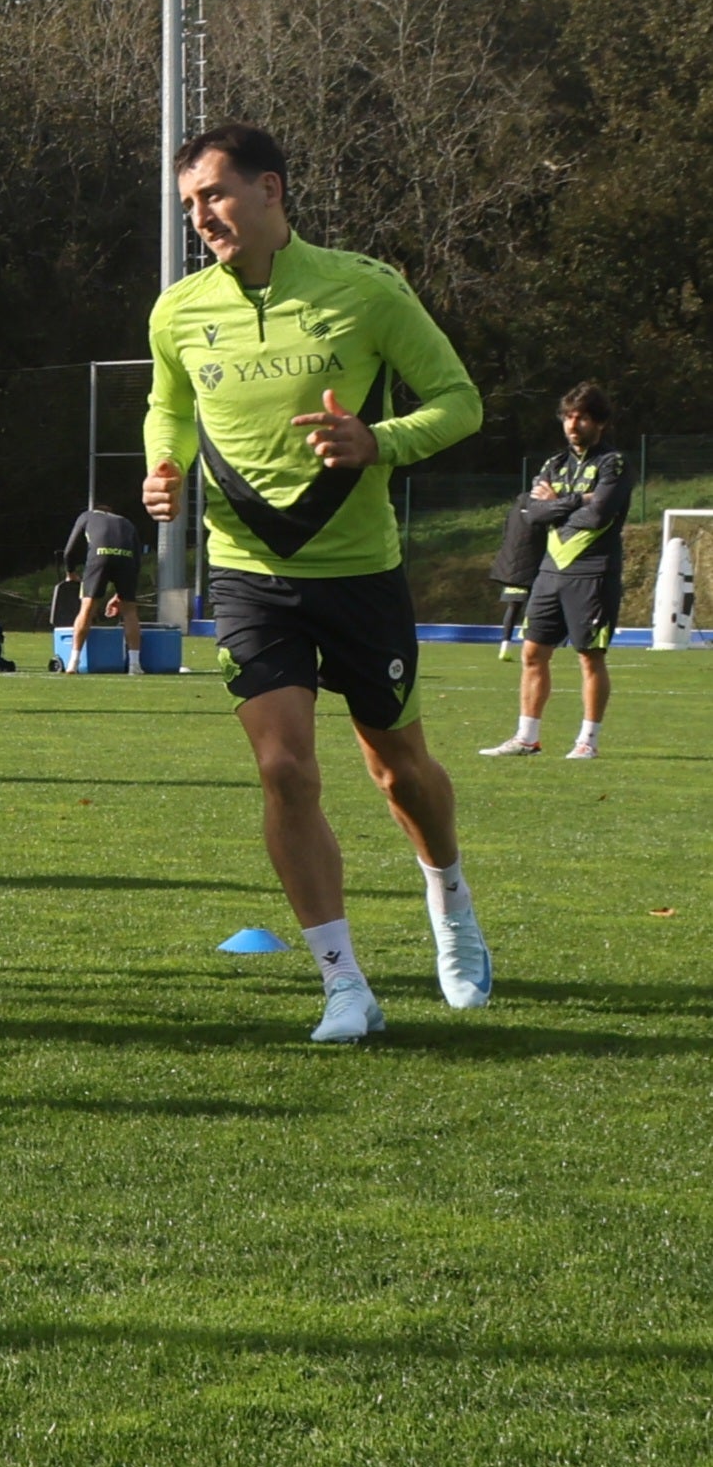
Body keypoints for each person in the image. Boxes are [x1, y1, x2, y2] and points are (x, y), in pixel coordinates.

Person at [138, 120, 486, 1042]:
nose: (200, 216)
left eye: (213, 194)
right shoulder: (177, 310)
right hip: (248, 574)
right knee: (283, 766)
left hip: (360, 572)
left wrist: (381, 440)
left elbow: (459, 402)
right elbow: (167, 404)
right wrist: (161, 466)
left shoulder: (363, 290)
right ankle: (343, 983)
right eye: (188, 204)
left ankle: (447, 896)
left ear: (271, 189)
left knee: (396, 769)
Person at [486, 383, 633, 763]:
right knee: (533, 653)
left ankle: (588, 740)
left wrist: (561, 504)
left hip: (592, 571)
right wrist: (577, 501)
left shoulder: (612, 463)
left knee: (589, 656)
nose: (573, 423)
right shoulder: (554, 464)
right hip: (550, 572)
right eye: (568, 416)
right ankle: (527, 737)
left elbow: (599, 514)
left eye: (582, 416)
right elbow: (532, 513)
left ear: (599, 421)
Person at [58, 500, 149, 672]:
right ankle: (135, 665)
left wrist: (70, 572)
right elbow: (137, 559)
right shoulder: (126, 522)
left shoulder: (87, 516)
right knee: (130, 611)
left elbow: (69, 549)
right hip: (127, 560)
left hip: (99, 556)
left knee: (87, 608)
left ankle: (73, 662)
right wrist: (120, 595)